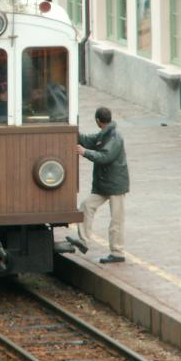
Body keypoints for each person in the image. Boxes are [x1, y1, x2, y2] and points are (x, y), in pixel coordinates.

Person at [67, 106, 130, 263]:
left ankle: (118, 252)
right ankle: (84, 241)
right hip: (105, 184)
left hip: (115, 185)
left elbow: (105, 156)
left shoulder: (114, 137)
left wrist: (85, 152)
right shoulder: (105, 134)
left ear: (97, 121)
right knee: (87, 205)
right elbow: (88, 140)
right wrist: (72, 129)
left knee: (116, 219)